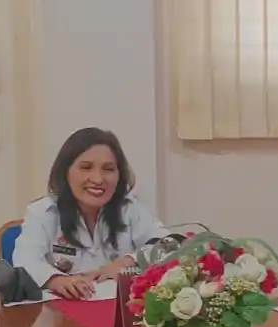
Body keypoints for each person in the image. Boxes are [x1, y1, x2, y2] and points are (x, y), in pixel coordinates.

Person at [12, 127, 169, 299]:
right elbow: (24, 260)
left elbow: (169, 246)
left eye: (108, 169)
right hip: (62, 308)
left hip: (118, 306)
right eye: (86, 168)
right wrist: (56, 280)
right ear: (65, 172)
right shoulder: (43, 212)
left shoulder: (129, 209)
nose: (98, 179)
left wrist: (130, 261)